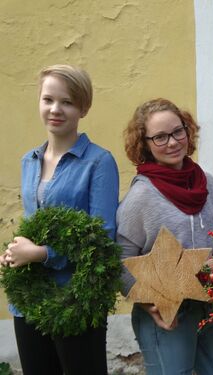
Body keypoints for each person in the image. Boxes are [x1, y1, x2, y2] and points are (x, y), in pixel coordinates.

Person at [0, 65, 119, 374]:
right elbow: (34, 224)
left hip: (75, 300)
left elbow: (102, 241)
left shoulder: (99, 162)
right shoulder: (29, 160)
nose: (55, 109)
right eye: (48, 99)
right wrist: (15, 252)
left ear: (83, 108)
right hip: (29, 300)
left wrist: (41, 254)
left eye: (67, 102)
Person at [117, 98, 213, 375]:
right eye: (160, 137)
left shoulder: (207, 183)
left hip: (207, 307)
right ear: (145, 143)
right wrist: (149, 301)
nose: (172, 142)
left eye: (177, 131)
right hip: (165, 313)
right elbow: (120, 258)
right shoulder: (141, 197)